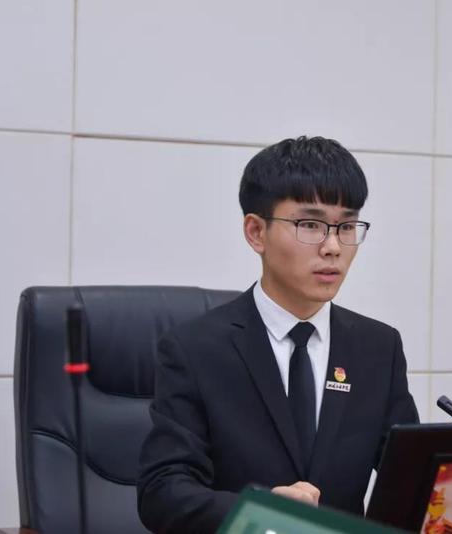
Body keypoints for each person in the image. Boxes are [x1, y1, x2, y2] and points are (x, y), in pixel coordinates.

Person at [137, 136, 420, 532]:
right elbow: (163, 493)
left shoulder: (378, 348)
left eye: (347, 226)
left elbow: (411, 482)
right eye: (310, 225)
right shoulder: (195, 349)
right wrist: (259, 510)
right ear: (256, 232)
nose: (333, 247)